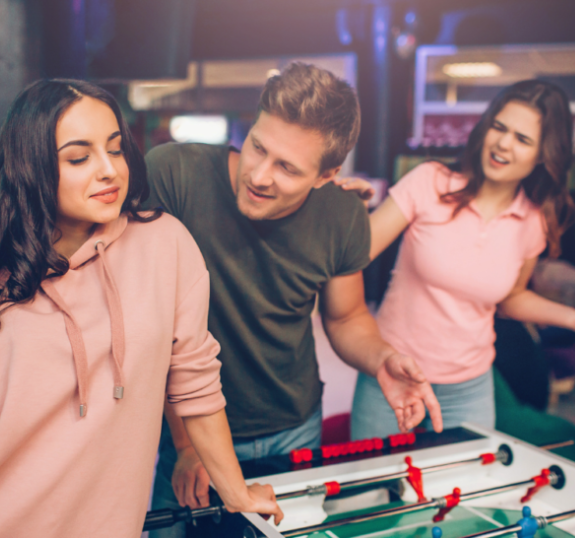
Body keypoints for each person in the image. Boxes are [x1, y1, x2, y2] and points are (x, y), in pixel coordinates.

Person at [0, 79, 281, 538]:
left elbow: (195, 382)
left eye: (115, 149)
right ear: (32, 169)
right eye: (79, 157)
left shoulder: (165, 245)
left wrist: (236, 493)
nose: (109, 170)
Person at [146, 63, 442, 538]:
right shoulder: (173, 174)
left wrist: (382, 358)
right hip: (190, 428)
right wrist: (186, 443)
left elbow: (346, 317)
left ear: (327, 175)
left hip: (293, 424)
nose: (260, 175)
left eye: (287, 167)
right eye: (258, 147)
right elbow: (151, 323)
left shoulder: (342, 214)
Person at [346, 79, 575, 438]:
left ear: (542, 155)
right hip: (391, 373)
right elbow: (353, 253)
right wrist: (344, 211)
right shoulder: (429, 182)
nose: (503, 143)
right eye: (499, 127)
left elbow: (511, 297)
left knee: (461, 492)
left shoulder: (533, 220)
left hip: (468, 388)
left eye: (522, 139)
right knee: (372, 492)